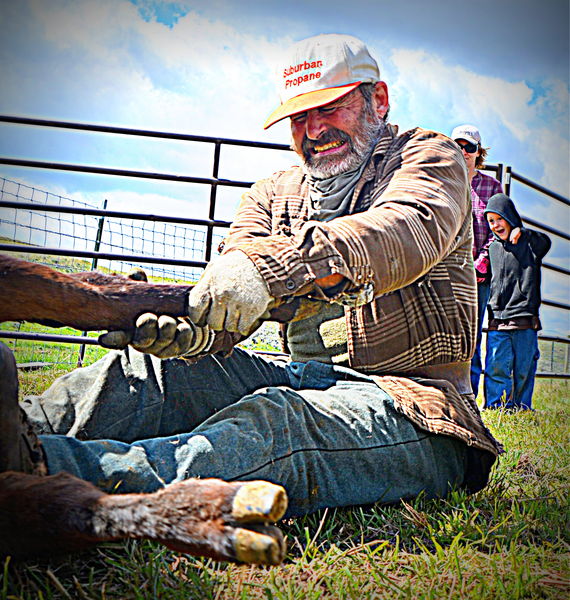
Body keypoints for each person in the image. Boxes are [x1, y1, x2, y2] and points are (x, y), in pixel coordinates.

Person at [8, 34, 502, 519]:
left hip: (421, 408)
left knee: (276, 421)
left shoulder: (431, 158)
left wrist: (267, 270)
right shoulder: (273, 193)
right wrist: (200, 327)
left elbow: (405, 229)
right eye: (299, 117)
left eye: (329, 109)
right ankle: (20, 428)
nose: (313, 131)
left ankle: (44, 470)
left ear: (379, 99)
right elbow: (238, 266)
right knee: (160, 373)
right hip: (306, 380)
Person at [483, 193, 551, 410]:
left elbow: (545, 243)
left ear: (510, 217)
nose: (495, 225)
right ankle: (496, 407)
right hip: (498, 321)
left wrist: (523, 233)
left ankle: (521, 407)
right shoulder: (492, 249)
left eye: (499, 219)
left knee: (524, 367)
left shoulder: (530, 242)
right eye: (491, 221)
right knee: (496, 366)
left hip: (524, 319)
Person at [450, 125, 503, 398]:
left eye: (469, 147)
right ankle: (447, 392)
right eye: (457, 145)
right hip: (446, 273)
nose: (463, 151)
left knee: (472, 335)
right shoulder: (442, 183)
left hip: (477, 276)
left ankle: (468, 393)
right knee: (445, 332)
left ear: (478, 152)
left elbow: (499, 231)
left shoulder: (492, 187)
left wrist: (480, 263)